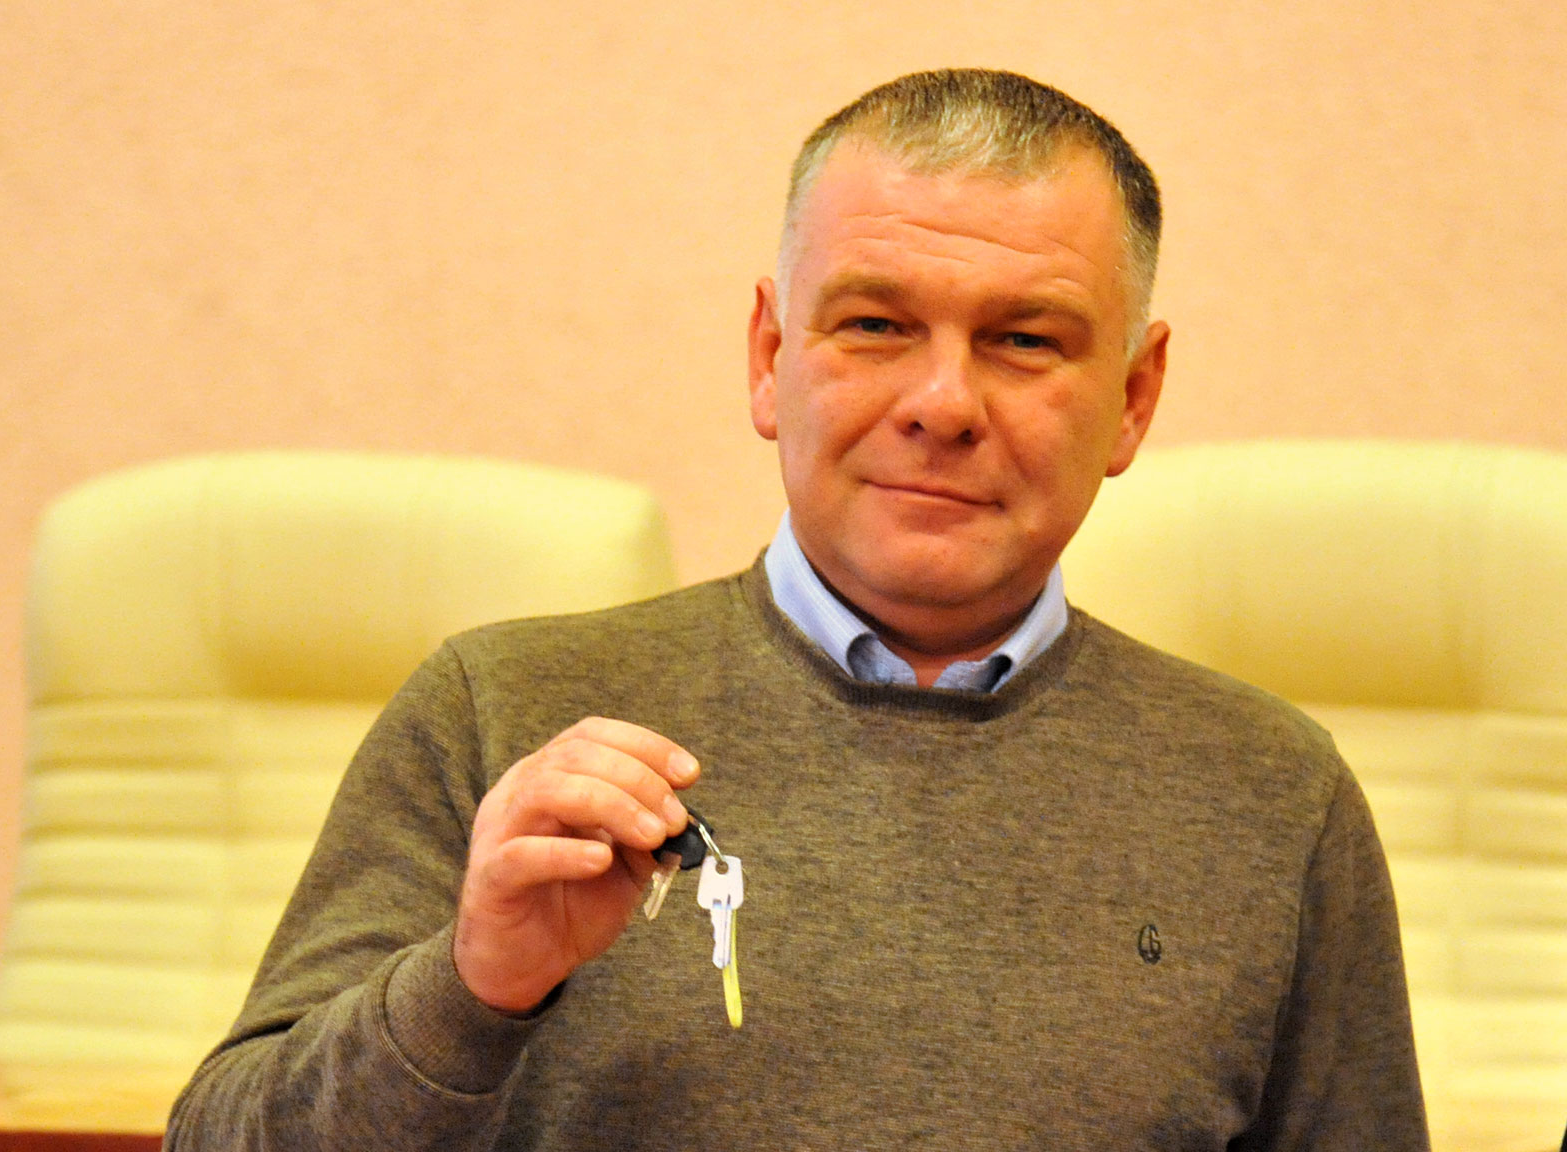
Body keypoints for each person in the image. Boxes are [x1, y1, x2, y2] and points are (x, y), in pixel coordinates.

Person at [165, 69, 1429, 1150]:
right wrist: (473, 987)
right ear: (771, 358)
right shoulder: (504, 717)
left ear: (1135, 400)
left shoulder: (1275, 795)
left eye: (1025, 341)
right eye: (876, 324)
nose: (942, 403)